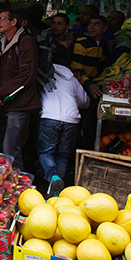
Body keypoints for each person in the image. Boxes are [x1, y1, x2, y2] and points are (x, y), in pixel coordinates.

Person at [0, 10, 40, 170]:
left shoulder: (26, 42)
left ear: (14, 22)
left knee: (11, 147)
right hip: (5, 103)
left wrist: (2, 93)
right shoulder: (3, 41)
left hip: (19, 104)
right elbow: (9, 67)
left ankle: (18, 183)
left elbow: (26, 76)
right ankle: (0, 178)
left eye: (2, 19)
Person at [39, 50, 90, 196]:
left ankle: (53, 177)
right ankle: (56, 193)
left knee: (45, 152)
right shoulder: (71, 79)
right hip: (71, 119)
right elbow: (85, 102)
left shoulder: (43, 74)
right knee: (62, 155)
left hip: (49, 117)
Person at [72, 15, 114, 149]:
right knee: (83, 124)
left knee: (90, 123)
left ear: (105, 28)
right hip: (82, 88)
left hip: (92, 85)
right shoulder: (82, 42)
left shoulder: (100, 45)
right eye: (90, 23)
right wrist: (88, 84)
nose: (92, 27)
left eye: (97, 24)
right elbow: (76, 70)